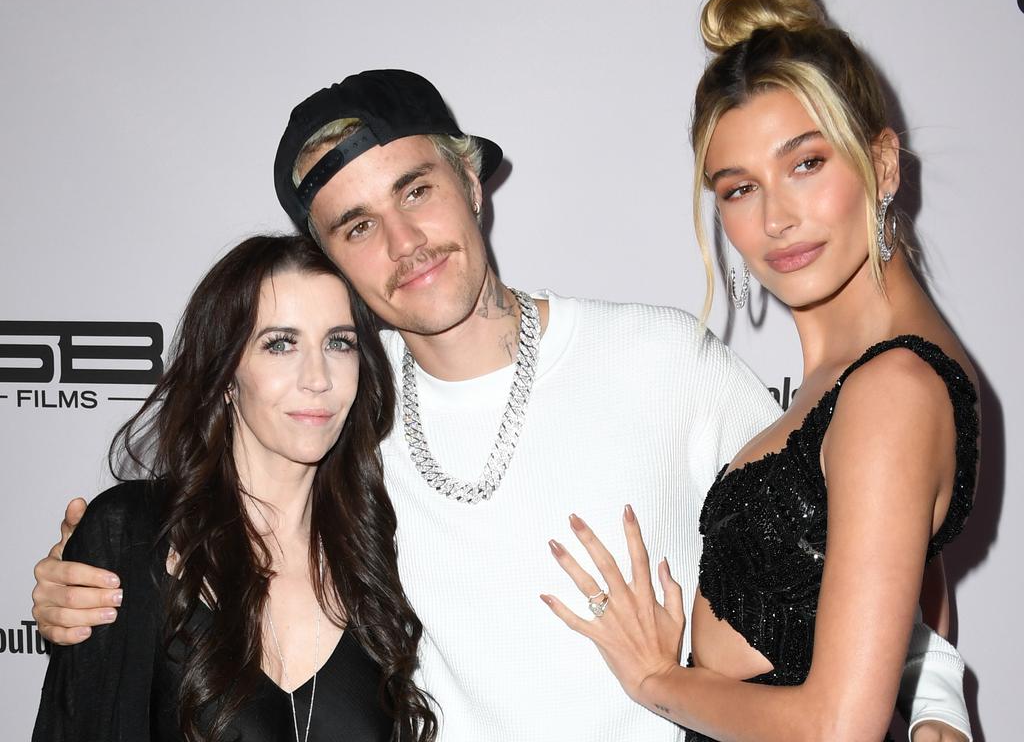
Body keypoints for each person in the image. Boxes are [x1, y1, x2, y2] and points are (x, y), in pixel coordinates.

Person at [31, 69, 970, 740]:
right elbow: (213, 529)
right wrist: (91, 578)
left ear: (471, 182)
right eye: (357, 226)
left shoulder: (659, 360)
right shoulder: (346, 409)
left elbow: (843, 553)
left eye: (418, 190)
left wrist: (935, 709)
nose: (405, 242)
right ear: (333, 262)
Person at [541, 0, 978, 741]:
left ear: (881, 166)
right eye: (739, 189)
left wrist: (658, 681)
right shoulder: (862, 374)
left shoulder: (893, 386)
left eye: (806, 163)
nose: (776, 217)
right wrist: (934, 679)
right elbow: (894, 563)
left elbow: (835, 727)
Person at [32, 235, 437, 742]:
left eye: (339, 342)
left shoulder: (384, 549)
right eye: (280, 344)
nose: (318, 378)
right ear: (226, 373)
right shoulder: (134, 535)